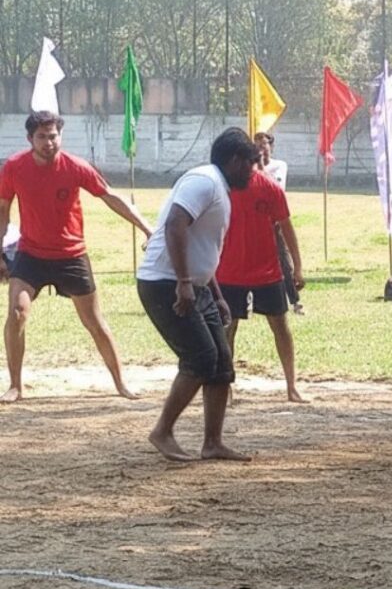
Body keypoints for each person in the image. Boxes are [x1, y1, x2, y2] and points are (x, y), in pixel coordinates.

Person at [0, 110, 153, 403]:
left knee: (94, 321)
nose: (49, 142)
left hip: (71, 255)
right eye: (42, 137)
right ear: (30, 139)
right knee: (17, 313)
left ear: (61, 135)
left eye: (53, 136)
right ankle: (15, 385)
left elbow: (109, 196)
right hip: (31, 254)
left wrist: (146, 228)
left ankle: (121, 383)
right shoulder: (14, 167)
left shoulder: (75, 166)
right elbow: (3, 210)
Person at [136, 127, 260, 462]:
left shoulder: (219, 187)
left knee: (220, 362)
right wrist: (184, 282)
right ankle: (162, 431)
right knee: (201, 358)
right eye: (250, 163)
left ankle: (213, 442)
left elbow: (203, 247)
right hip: (165, 282)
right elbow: (174, 224)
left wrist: (214, 293)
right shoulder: (204, 181)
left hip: (195, 284)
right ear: (234, 160)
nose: (253, 170)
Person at [216, 158, 307, 403]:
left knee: (280, 326)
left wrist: (297, 267)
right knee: (227, 329)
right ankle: (224, 387)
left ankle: (291, 386)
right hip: (229, 272)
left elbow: (287, 227)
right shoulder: (223, 187)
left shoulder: (270, 188)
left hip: (267, 271)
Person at [254, 131, 303, 316]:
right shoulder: (250, 168)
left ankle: (295, 300)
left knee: (283, 260)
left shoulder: (279, 165)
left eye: (264, 144)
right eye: (257, 145)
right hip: (258, 221)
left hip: (276, 221)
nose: (261, 148)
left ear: (271, 146)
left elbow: (276, 188)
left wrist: (260, 167)